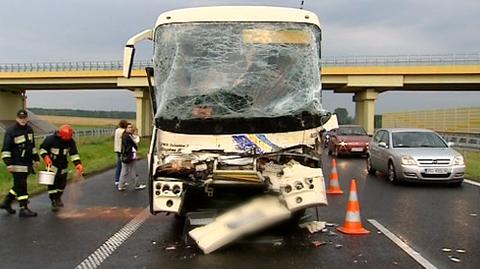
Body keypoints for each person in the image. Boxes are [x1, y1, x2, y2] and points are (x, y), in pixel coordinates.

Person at [0, 109, 40, 217]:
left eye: (24, 118)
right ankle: (23, 209)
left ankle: (6, 203)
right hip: (16, 163)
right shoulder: (11, 131)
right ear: (17, 119)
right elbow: (5, 150)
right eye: (20, 118)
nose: (22, 120)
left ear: (27, 119)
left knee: (18, 185)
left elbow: (32, 147)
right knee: (22, 185)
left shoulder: (30, 129)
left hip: (27, 163)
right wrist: (8, 164)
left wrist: (36, 159)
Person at [39, 124, 84, 211]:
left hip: (63, 166)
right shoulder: (50, 140)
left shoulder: (70, 141)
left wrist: (78, 164)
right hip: (52, 166)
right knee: (52, 185)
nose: (69, 139)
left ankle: (58, 197)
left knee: (61, 185)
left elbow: (74, 154)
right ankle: (54, 201)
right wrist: (46, 157)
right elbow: (42, 149)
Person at [118, 123, 146, 191]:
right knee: (133, 171)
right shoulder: (128, 136)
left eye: (131, 127)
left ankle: (120, 185)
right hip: (129, 156)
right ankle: (137, 185)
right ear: (126, 128)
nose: (130, 128)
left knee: (124, 171)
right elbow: (134, 144)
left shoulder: (124, 135)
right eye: (129, 127)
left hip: (124, 155)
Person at [114, 120, 128, 186]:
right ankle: (119, 180)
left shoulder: (117, 130)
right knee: (122, 166)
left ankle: (118, 179)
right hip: (122, 150)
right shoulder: (124, 131)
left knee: (119, 164)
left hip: (117, 149)